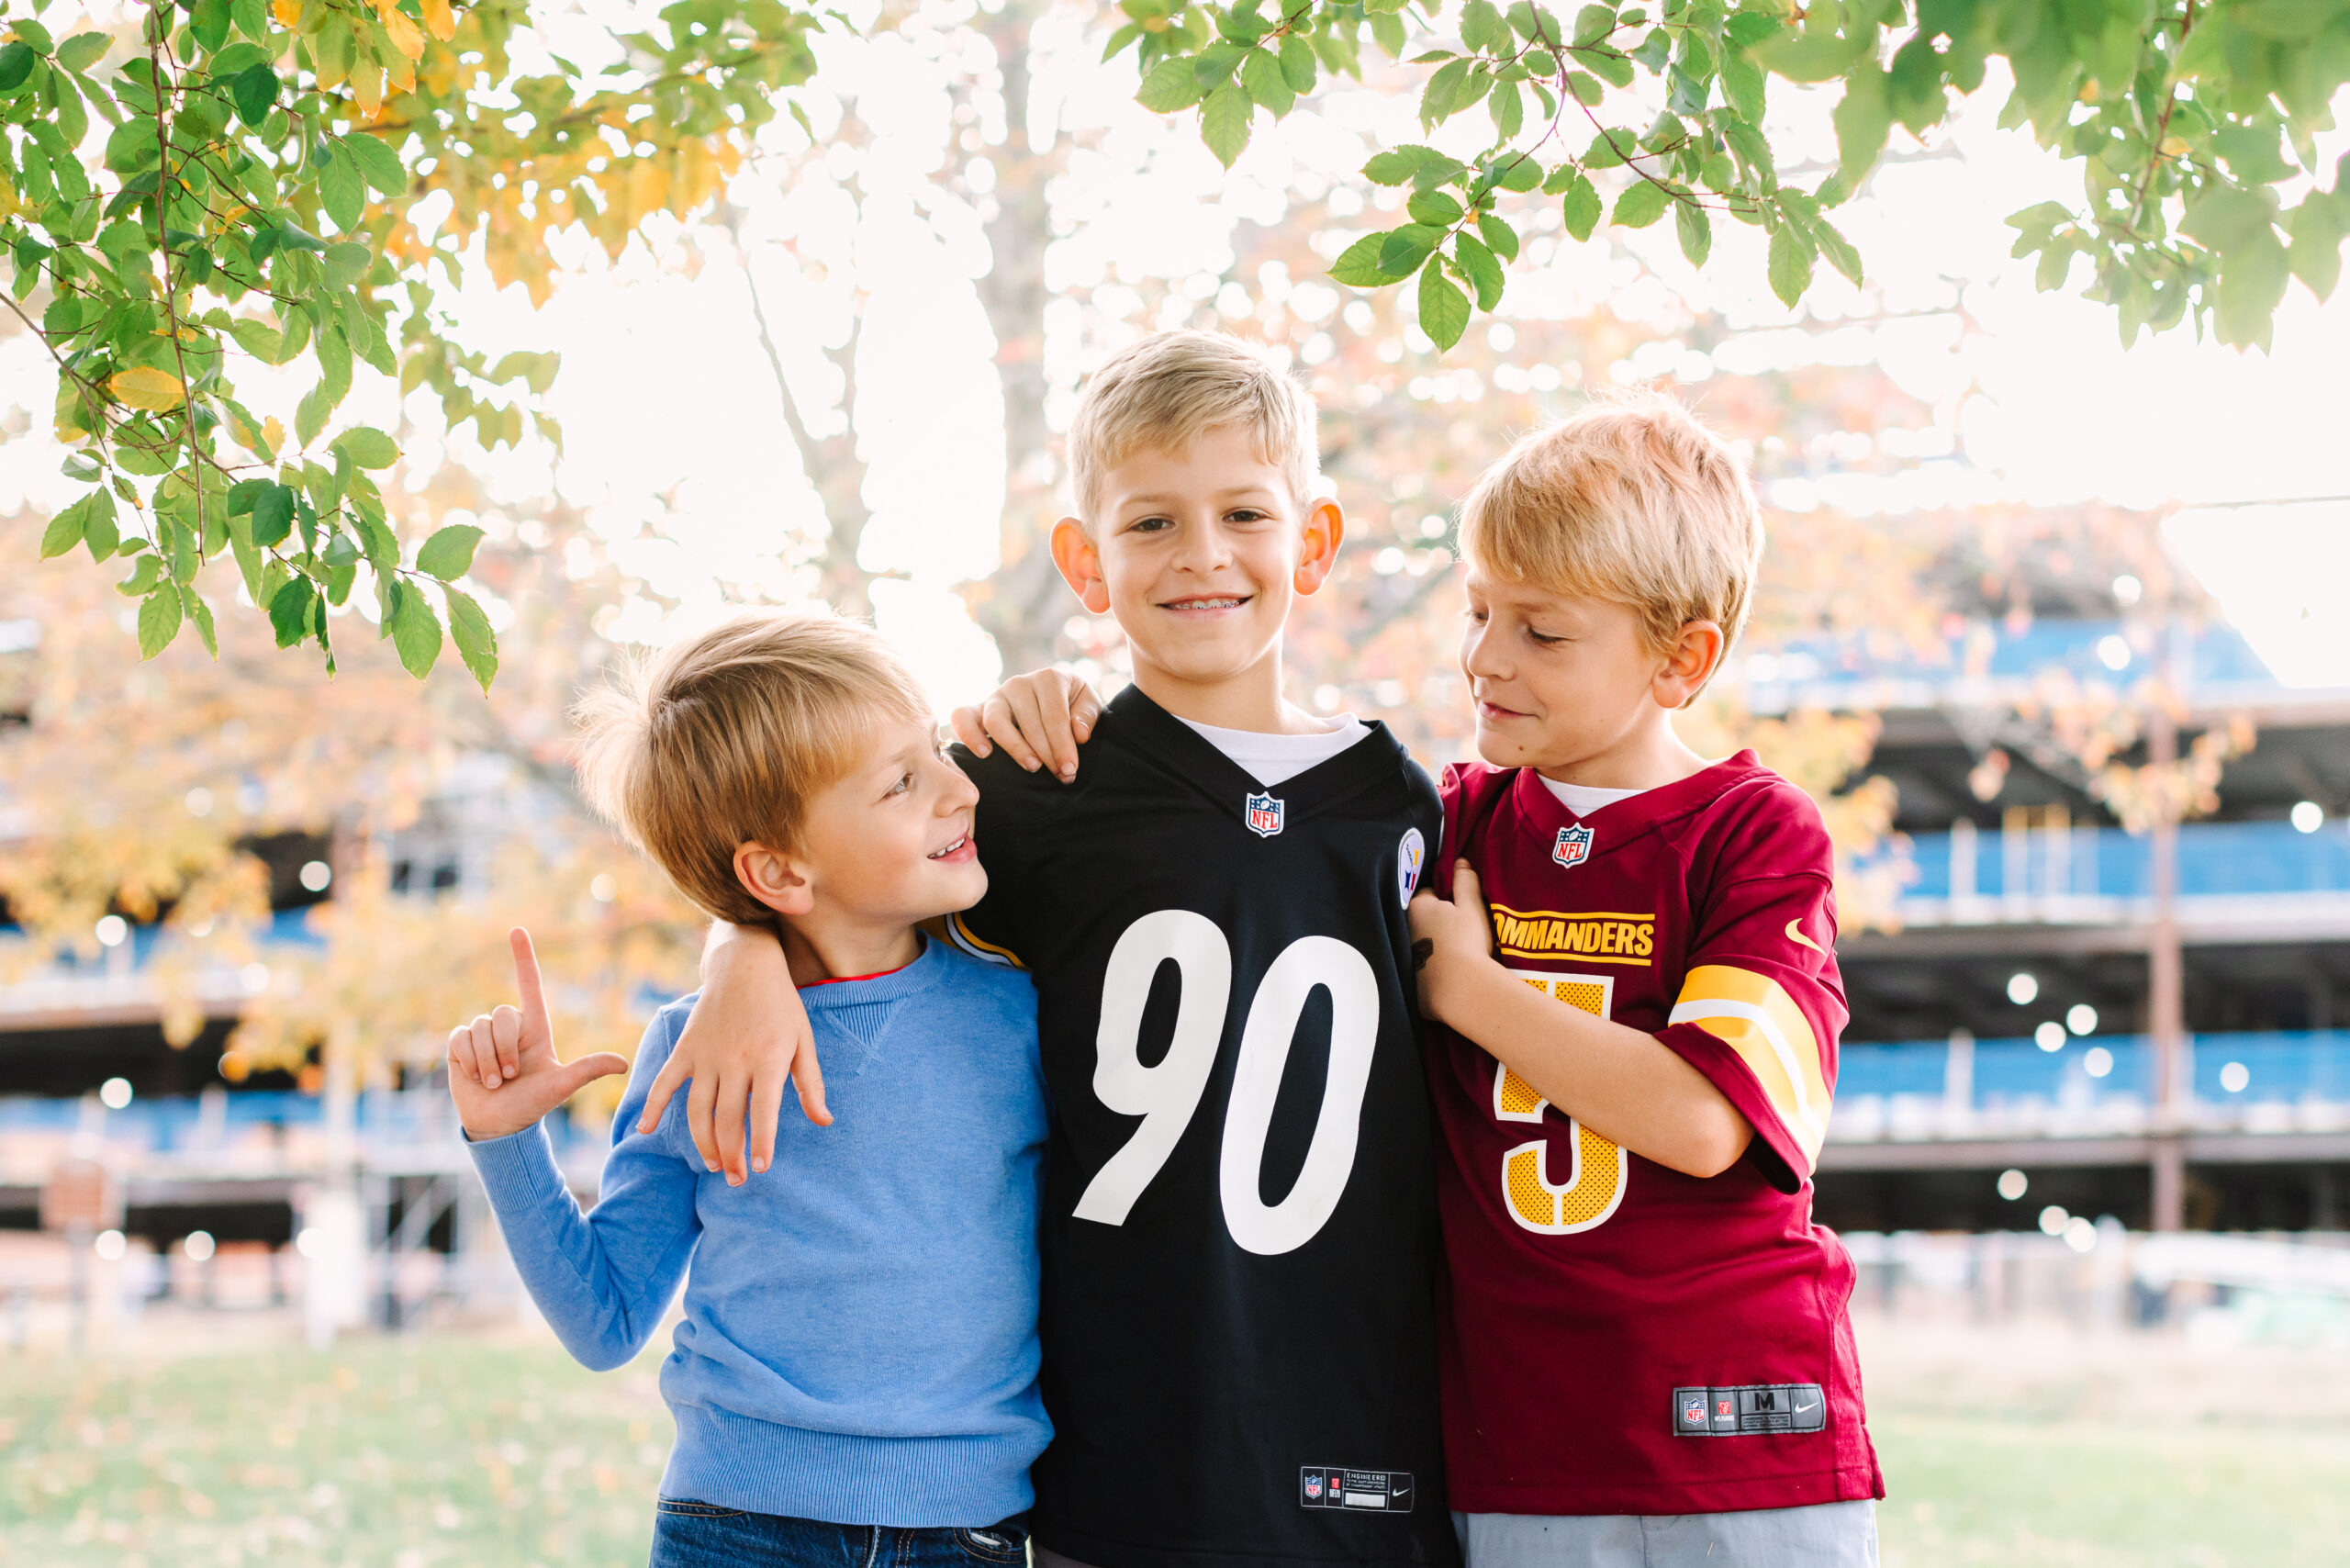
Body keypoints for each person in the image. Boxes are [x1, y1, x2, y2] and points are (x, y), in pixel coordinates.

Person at [963, 392, 1886, 1566]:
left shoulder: (1757, 833)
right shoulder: (1441, 823)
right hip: (1517, 1443)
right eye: (1478, 612)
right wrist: (1030, 711)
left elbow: (1710, 1122)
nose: (1485, 658)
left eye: (1541, 634)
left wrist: (1474, 991)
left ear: (1682, 657)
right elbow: (1245, 836)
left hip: (1738, 1428)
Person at [660, 331, 1459, 1568]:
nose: (1201, 555)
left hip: (1353, 1417)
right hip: (1117, 1438)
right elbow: (824, 878)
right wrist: (743, 949)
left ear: (1313, 539)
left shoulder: (1401, 802)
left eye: (1244, 511)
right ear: (1086, 563)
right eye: (1150, 525)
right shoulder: (1031, 787)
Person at [444, 610, 1049, 1568]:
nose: (960, 788)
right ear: (778, 869)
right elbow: (605, 1323)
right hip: (734, 1530)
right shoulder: (690, 1049)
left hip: (963, 1532)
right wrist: (508, 1141)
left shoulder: (1021, 1014)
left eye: (933, 750)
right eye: (902, 781)